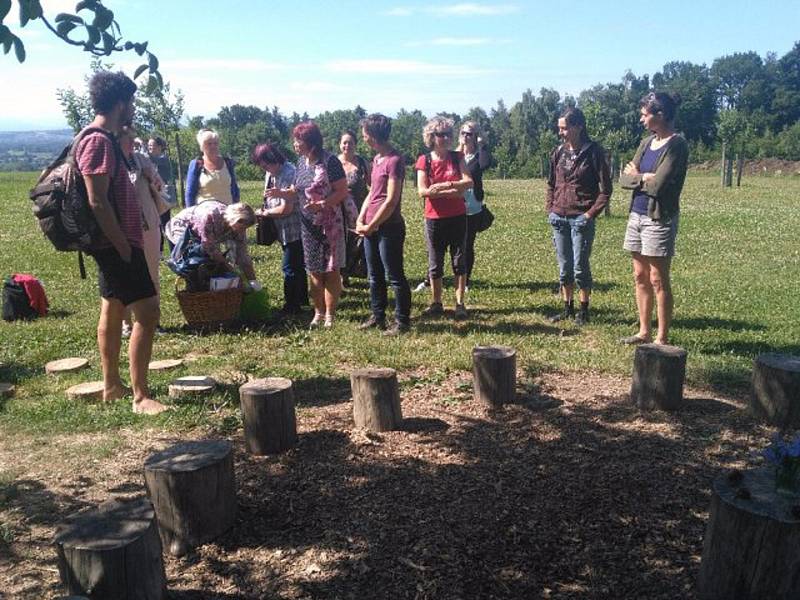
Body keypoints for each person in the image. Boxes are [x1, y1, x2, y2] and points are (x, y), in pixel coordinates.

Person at [74, 70, 167, 414]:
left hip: (113, 242)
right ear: (121, 102)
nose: (133, 109)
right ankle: (140, 396)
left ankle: (112, 385)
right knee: (147, 311)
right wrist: (124, 246)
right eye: (131, 102)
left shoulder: (103, 138)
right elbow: (97, 199)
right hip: (117, 243)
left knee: (113, 308)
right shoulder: (97, 141)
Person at [619, 92, 688, 345]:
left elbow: (659, 186)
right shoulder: (646, 143)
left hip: (658, 218)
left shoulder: (677, 145)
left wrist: (640, 176)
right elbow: (623, 179)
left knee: (658, 278)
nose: (641, 119)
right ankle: (643, 331)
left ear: (660, 115)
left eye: (645, 114)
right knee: (639, 275)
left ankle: (661, 337)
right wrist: (643, 177)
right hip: (636, 214)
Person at [546, 107, 612, 326]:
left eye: (564, 128)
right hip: (559, 217)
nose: (561, 132)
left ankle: (584, 311)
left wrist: (590, 214)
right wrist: (550, 209)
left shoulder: (594, 153)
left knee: (580, 267)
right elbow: (551, 184)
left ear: (578, 126)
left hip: (580, 218)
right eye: (560, 128)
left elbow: (606, 189)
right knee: (564, 268)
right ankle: (567, 307)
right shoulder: (558, 152)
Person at [355, 114, 411, 335]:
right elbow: (372, 193)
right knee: (374, 275)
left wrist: (373, 224)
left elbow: (390, 200)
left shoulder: (395, 160)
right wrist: (361, 218)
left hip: (389, 228)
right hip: (371, 226)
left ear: (374, 135)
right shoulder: (376, 160)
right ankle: (377, 316)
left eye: (365, 134)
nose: (363, 138)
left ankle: (402, 321)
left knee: (394, 275)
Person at [292, 121, 349, 328]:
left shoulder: (330, 161)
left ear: (310, 142)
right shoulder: (300, 163)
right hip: (308, 226)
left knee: (331, 270)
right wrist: (284, 193)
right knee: (314, 270)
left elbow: (342, 191)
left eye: (298, 140)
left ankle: (330, 316)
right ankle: (318, 312)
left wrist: (323, 204)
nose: (295, 144)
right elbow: (298, 189)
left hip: (329, 224)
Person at [415, 116, 473, 320]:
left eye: (449, 134)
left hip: (457, 216)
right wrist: (453, 189)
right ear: (432, 137)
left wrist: (442, 187)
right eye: (442, 134)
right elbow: (422, 191)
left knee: (459, 261)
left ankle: (459, 304)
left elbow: (468, 182)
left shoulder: (457, 157)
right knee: (435, 262)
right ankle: (436, 302)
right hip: (433, 218)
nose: (447, 138)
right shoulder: (425, 160)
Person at [119, 126, 169, 338]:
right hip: (121, 228)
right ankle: (125, 324)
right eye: (127, 141)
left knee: (151, 273)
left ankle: (152, 321)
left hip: (148, 223)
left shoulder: (142, 160)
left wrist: (154, 179)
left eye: (133, 141)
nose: (132, 146)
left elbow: (160, 187)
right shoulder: (112, 162)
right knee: (124, 276)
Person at [252, 142, 309, 316]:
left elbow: (287, 209)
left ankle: (291, 305)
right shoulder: (270, 174)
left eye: (266, 164)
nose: (265, 168)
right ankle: (301, 301)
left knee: (289, 267)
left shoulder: (290, 173)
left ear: (275, 159)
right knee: (297, 266)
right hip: (283, 231)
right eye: (262, 166)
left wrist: (265, 213)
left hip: (295, 229)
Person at [165, 201, 258, 284]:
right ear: (236, 219)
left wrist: (253, 282)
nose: (242, 232)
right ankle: (196, 292)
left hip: (205, 236)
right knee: (195, 262)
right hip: (183, 227)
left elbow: (243, 255)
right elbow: (209, 248)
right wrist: (230, 269)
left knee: (215, 265)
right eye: (242, 228)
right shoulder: (210, 216)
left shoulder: (238, 226)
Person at [457, 120, 492, 291]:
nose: (465, 136)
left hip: (472, 206)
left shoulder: (478, 156)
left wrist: (482, 145)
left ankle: (466, 281)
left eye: (469, 133)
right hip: (454, 204)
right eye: (463, 133)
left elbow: (485, 165)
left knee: (467, 245)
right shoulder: (455, 155)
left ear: (475, 136)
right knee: (443, 244)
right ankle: (430, 280)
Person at [338, 130, 370, 283]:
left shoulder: (362, 163)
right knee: (341, 242)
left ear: (355, 145)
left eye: (350, 142)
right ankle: (342, 276)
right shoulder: (334, 163)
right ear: (340, 145)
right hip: (339, 210)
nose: (347, 145)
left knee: (357, 242)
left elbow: (373, 184)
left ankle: (354, 270)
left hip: (360, 208)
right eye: (344, 142)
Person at [185, 128, 240, 207]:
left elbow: (235, 189)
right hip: (204, 214)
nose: (213, 146)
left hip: (228, 212)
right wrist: (190, 214)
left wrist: (236, 208)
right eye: (209, 143)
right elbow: (190, 194)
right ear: (202, 146)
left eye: (215, 143)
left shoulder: (228, 163)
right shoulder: (196, 164)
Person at [147, 136, 176, 247]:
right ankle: (159, 250)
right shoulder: (151, 162)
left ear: (159, 147)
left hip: (163, 197)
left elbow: (151, 159)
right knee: (156, 225)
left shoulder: (163, 159)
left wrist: (141, 147)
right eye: (148, 145)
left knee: (166, 224)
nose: (149, 148)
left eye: (152, 145)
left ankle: (173, 250)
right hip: (154, 196)